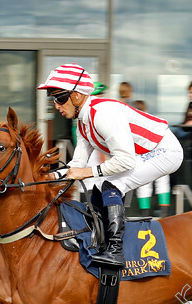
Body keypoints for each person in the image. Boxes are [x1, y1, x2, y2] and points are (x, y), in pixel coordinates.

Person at [38, 63, 183, 267]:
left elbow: (125, 161)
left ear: (77, 96)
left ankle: (115, 251)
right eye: (52, 99)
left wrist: (88, 172)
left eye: (60, 98)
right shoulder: (83, 122)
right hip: (143, 154)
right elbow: (76, 165)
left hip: (165, 151)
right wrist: (45, 178)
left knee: (110, 186)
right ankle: (101, 242)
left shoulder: (103, 115)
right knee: (98, 187)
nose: (56, 106)